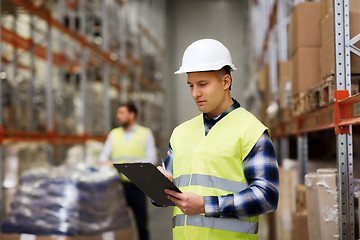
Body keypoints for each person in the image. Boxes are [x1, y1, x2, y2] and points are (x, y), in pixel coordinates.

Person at [157, 39, 279, 240]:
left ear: (225, 82)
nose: (195, 93)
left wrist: (205, 205)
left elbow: (267, 197)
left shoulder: (251, 131)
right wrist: (159, 186)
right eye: (191, 85)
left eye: (202, 84)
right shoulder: (180, 133)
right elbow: (168, 198)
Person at [100, 102, 157, 240]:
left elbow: (152, 159)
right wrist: (113, 165)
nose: (118, 116)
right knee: (117, 224)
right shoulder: (114, 134)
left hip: (138, 185)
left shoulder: (145, 133)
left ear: (132, 115)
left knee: (141, 224)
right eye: (118, 113)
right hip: (118, 186)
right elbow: (103, 157)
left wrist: (132, 165)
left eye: (121, 113)